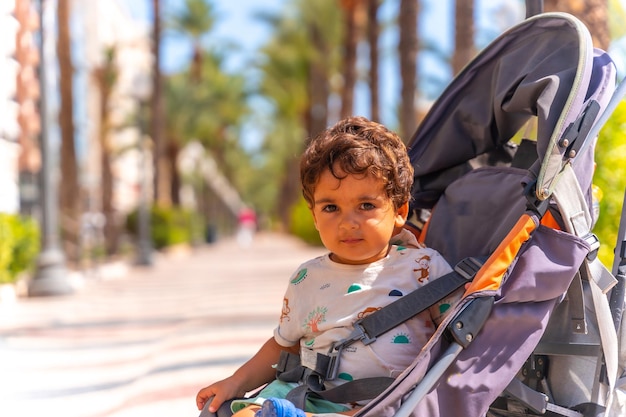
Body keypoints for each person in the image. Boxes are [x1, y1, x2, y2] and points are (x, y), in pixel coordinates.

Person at [196, 116, 461, 417]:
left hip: (385, 402)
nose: (348, 222)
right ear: (314, 216)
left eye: (366, 206)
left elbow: (458, 342)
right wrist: (236, 382)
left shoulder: (423, 268)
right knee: (241, 414)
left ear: (399, 211)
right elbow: (285, 346)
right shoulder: (307, 278)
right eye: (331, 208)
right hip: (313, 393)